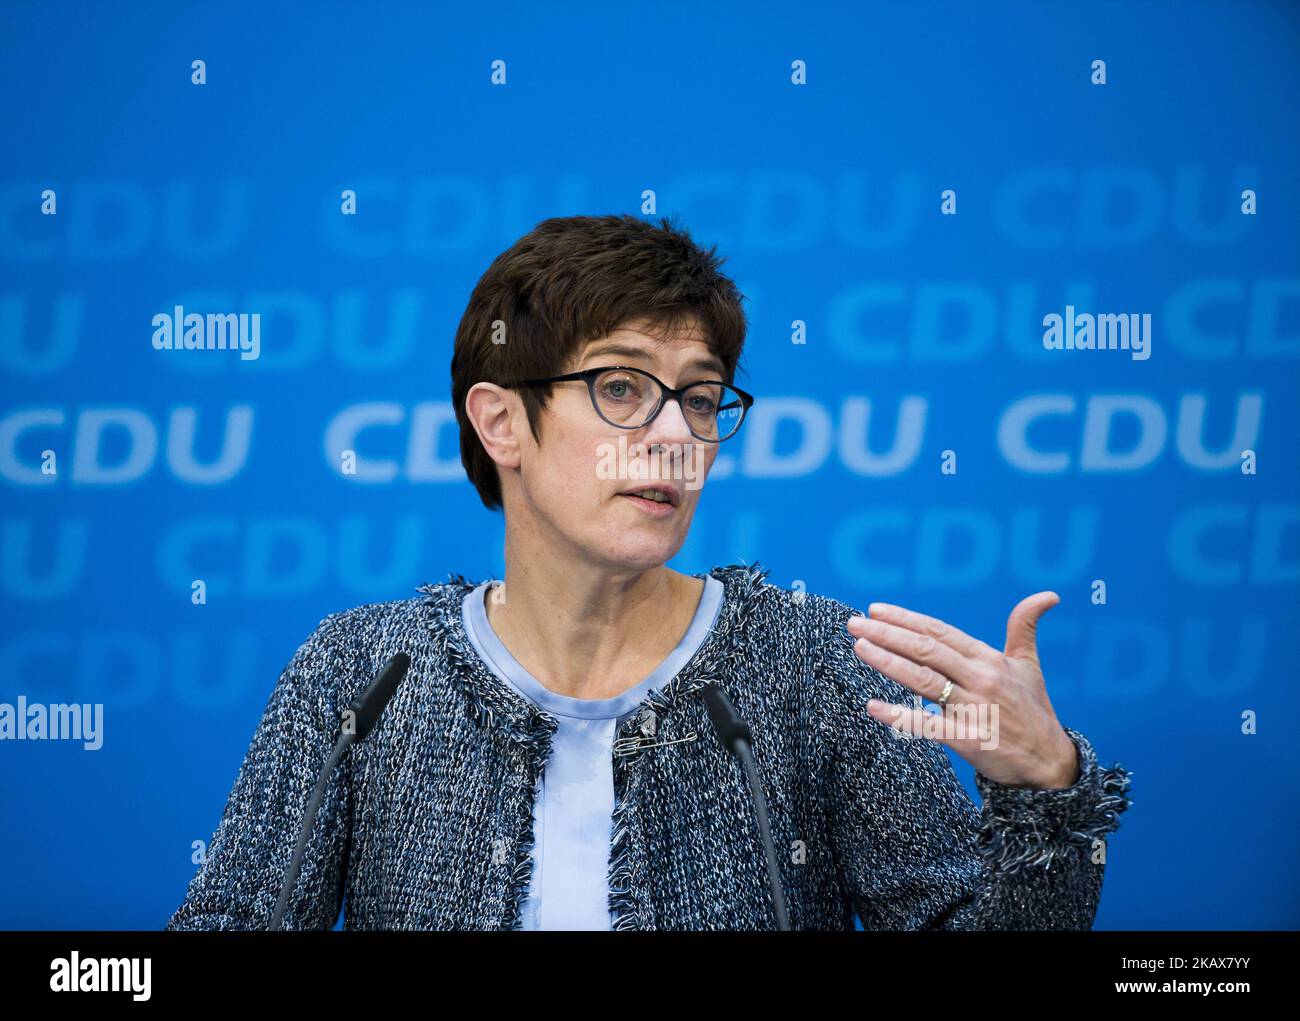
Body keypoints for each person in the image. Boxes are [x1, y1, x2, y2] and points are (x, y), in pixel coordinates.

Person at [165, 213, 1132, 931]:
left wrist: (1049, 790)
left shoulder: (805, 667)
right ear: (501, 421)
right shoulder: (364, 675)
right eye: (622, 387)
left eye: (702, 400)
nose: (676, 437)